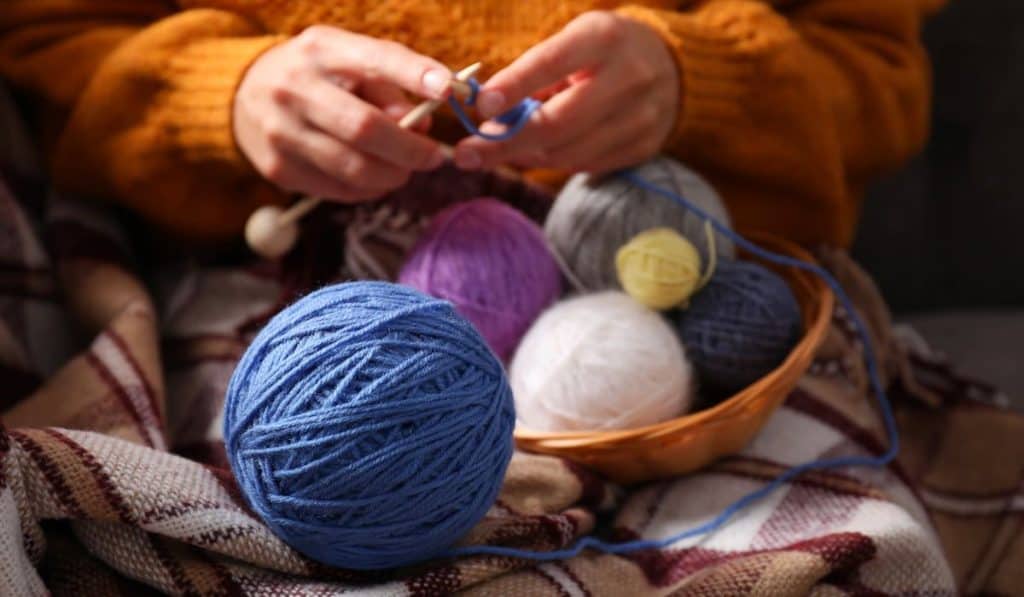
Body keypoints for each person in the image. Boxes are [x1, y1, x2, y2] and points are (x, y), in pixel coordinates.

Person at [0, 1, 938, 247]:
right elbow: (50, 44)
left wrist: (707, 84)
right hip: (266, 310)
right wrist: (222, 94)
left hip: (674, 296)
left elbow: (878, 70)